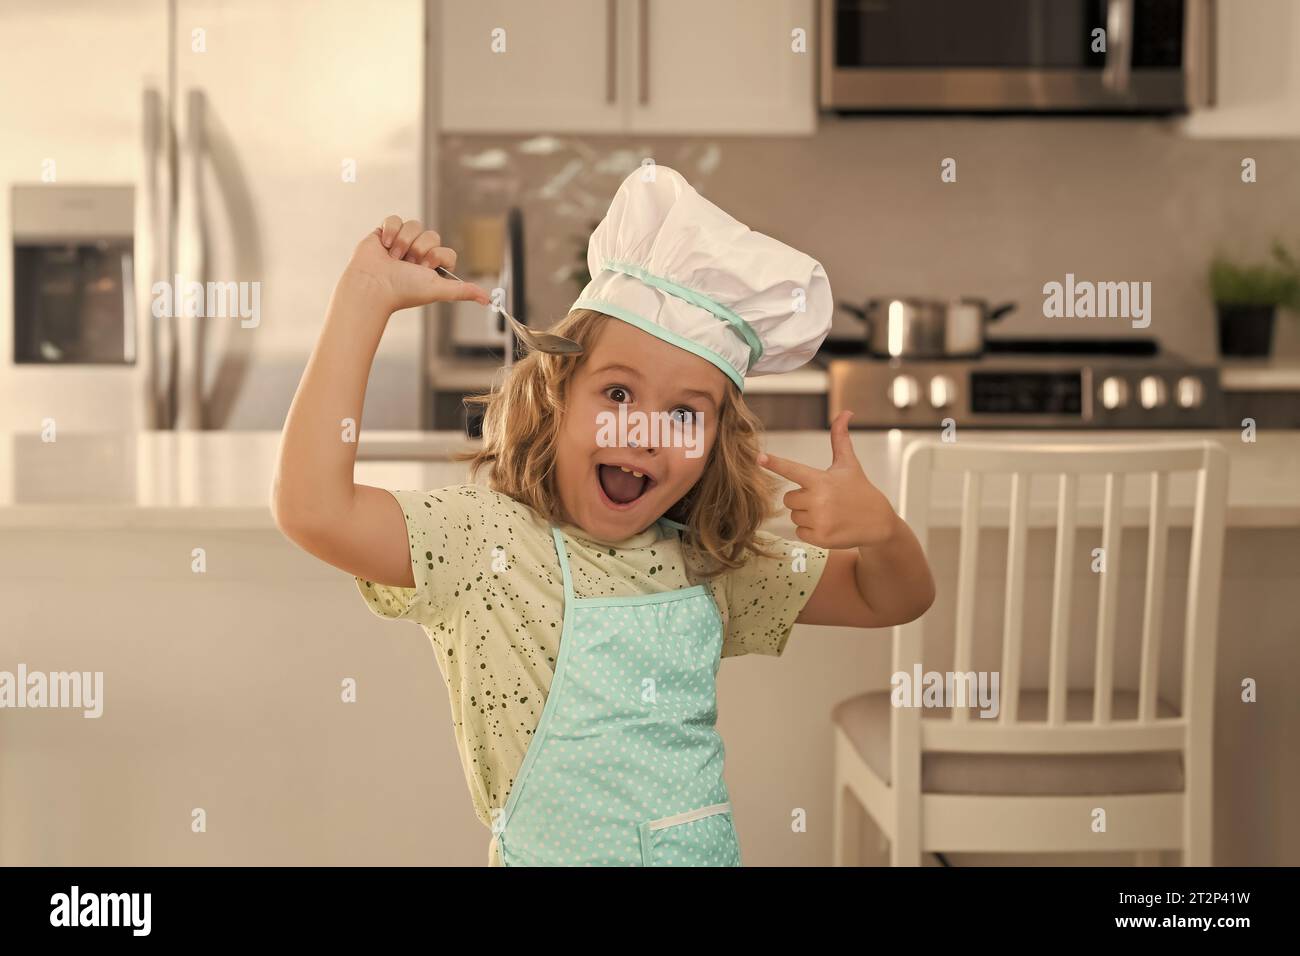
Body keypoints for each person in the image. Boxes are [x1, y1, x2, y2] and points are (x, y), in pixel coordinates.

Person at [272, 165, 935, 866]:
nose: (644, 433)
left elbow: (889, 595)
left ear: (713, 446)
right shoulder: (484, 544)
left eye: (685, 412)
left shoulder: (707, 562)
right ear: (556, 394)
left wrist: (884, 532)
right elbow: (314, 509)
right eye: (617, 392)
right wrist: (363, 299)